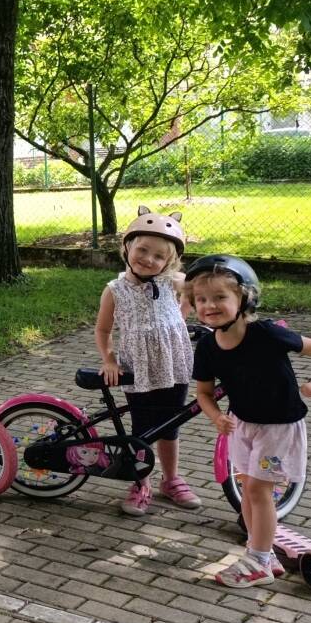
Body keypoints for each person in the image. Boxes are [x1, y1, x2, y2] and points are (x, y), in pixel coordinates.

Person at [187, 254, 311, 587]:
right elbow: (203, 392)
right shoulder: (206, 346)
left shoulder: (265, 334)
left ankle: (258, 562)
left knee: (258, 491)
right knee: (249, 491)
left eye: (219, 297)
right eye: (201, 299)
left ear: (244, 299)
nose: (209, 305)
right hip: (243, 424)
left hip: (279, 426)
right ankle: (263, 554)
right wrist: (216, 416)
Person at [95, 207, 199, 515]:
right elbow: (102, 330)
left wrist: (180, 318)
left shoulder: (170, 282)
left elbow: (195, 289)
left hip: (174, 366)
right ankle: (141, 483)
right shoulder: (115, 290)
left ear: (169, 261)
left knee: (171, 426)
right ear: (127, 247)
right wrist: (109, 359)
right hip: (138, 369)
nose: (149, 259)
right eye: (143, 250)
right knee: (142, 429)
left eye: (159, 256)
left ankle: (172, 479)